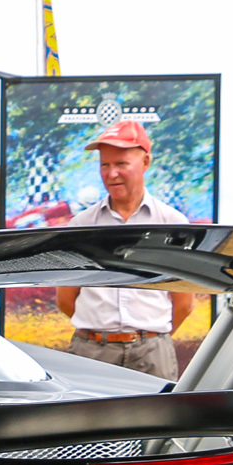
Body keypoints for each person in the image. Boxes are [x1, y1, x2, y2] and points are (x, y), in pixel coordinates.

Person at [55, 121, 192, 380]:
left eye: (121, 164)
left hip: (153, 353)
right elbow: (65, 299)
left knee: (156, 420)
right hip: (91, 352)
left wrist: (149, 338)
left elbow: (184, 303)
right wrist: (101, 335)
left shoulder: (172, 224)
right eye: (104, 165)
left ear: (146, 162)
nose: (111, 173)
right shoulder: (81, 225)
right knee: (89, 421)